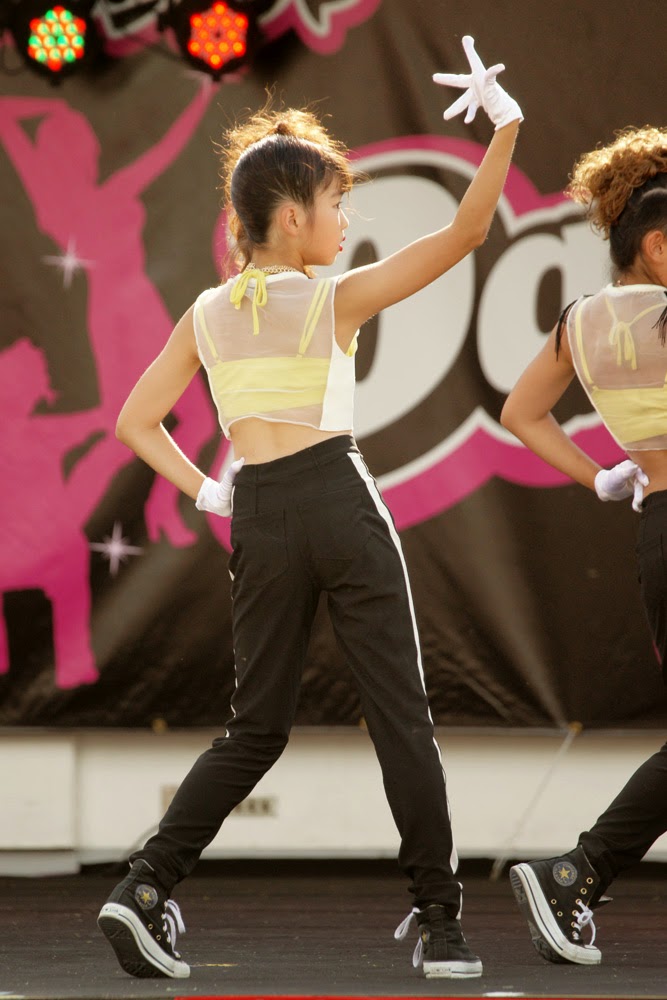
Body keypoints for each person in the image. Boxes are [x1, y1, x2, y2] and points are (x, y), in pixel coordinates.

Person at [96, 35, 522, 981]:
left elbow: (134, 421)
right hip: (337, 496)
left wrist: (211, 489)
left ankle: (143, 886)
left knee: (254, 728)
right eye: (336, 204)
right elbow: (464, 235)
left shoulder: (207, 313)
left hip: (260, 515)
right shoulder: (333, 299)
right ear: (290, 217)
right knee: (399, 717)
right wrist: (504, 128)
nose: (343, 220)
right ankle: (442, 926)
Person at [500, 125, 667, 966]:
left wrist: (601, 475)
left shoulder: (581, 321)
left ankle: (577, 874)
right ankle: (576, 871)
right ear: (657, 245)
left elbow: (520, 413)